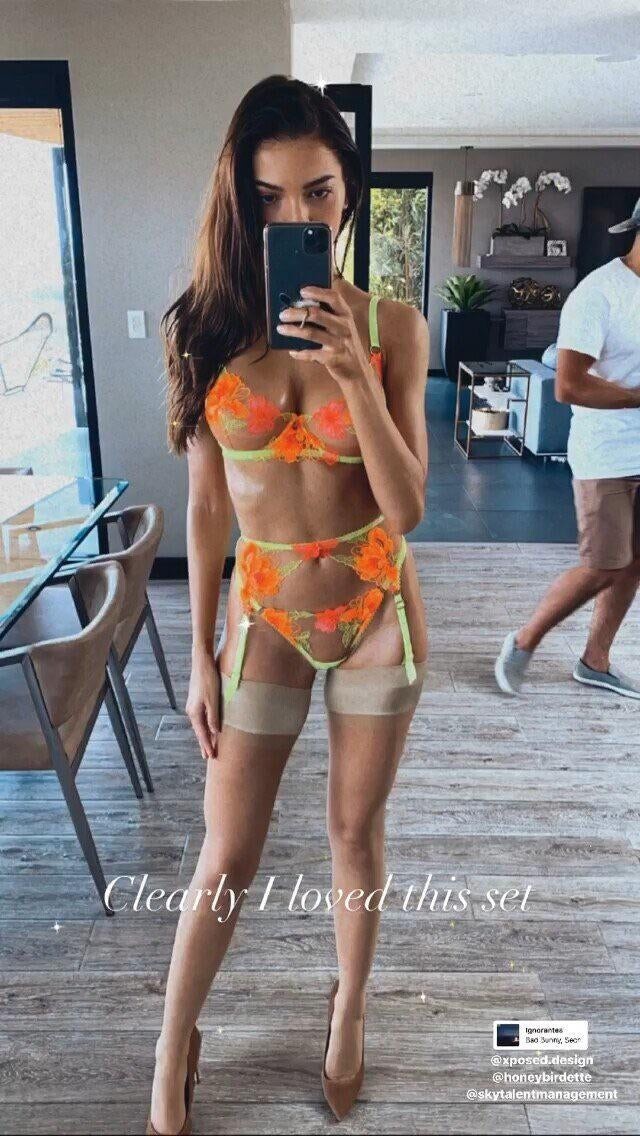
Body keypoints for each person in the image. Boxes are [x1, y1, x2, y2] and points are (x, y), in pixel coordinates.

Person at [147, 75, 429, 1135]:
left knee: (354, 830)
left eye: (316, 193)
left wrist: (356, 374)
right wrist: (199, 652)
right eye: (268, 198)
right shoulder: (204, 331)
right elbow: (206, 504)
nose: (294, 217)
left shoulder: (393, 326)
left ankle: (348, 1011)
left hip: (373, 608)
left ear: (347, 194)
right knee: (227, 851)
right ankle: (174, 1041)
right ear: (239, 199)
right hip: (263, 612)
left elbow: (407, 508)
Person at [495, 196, 640, 698]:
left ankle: (595, 661)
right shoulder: (599, 293)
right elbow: (569, 385)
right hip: (607, 454)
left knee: (634, 561)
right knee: (605, 564)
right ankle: (524, 639)